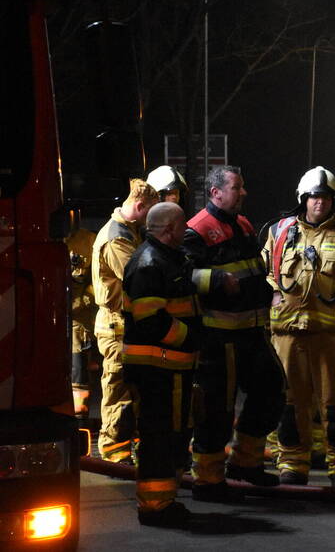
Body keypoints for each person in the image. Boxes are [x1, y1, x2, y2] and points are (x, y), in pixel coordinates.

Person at [264, 167, 335, 488]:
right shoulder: (281, 232)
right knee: (290, 405)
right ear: (303, 199)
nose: (319, 203)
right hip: (287, 334)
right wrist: (272, 293)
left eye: (325, 198)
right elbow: (263, 269)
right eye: (314, 197)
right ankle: (292, 463)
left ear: (334, 200)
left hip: (331, 337)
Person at [184, 165, 284, 501]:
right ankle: (208, 481)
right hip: (218, 338)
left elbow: (254, 270)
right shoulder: (196, 231)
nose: (243, 193)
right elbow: (182, 277)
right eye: (237, 187)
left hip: (252, 333)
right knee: (216, 411)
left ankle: (245, 463)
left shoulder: (241, 224)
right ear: (216, 193)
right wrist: (212, 280)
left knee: (272, 391)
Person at [121, 202, 202, 527]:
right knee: (158, 437)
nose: (186, 231)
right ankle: (154, 507)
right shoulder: (148, 264)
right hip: (156, 371)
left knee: (173, 435)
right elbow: (149, 321)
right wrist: (191, 337)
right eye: (182, 226)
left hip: (171, 369)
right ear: (169, 230)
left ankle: (164, 500)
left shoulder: (167, 259)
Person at [92, 178, 160, 463]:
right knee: (118, 389)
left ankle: (125, 446)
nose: (152, 220)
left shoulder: (129, 231)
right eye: (151, 212)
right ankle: (114, 451)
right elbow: (138, 278)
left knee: (132, 389)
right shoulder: (117, 237)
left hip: (124, 323)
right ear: (139, 205)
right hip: (116, 324)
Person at [67, 225, 98, 424]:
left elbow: (99, 281)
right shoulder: (40, 240)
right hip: (48, 320)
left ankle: (79, 421)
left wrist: (80, 303)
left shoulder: (89, 241)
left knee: (78, 374)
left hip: (78, 324)